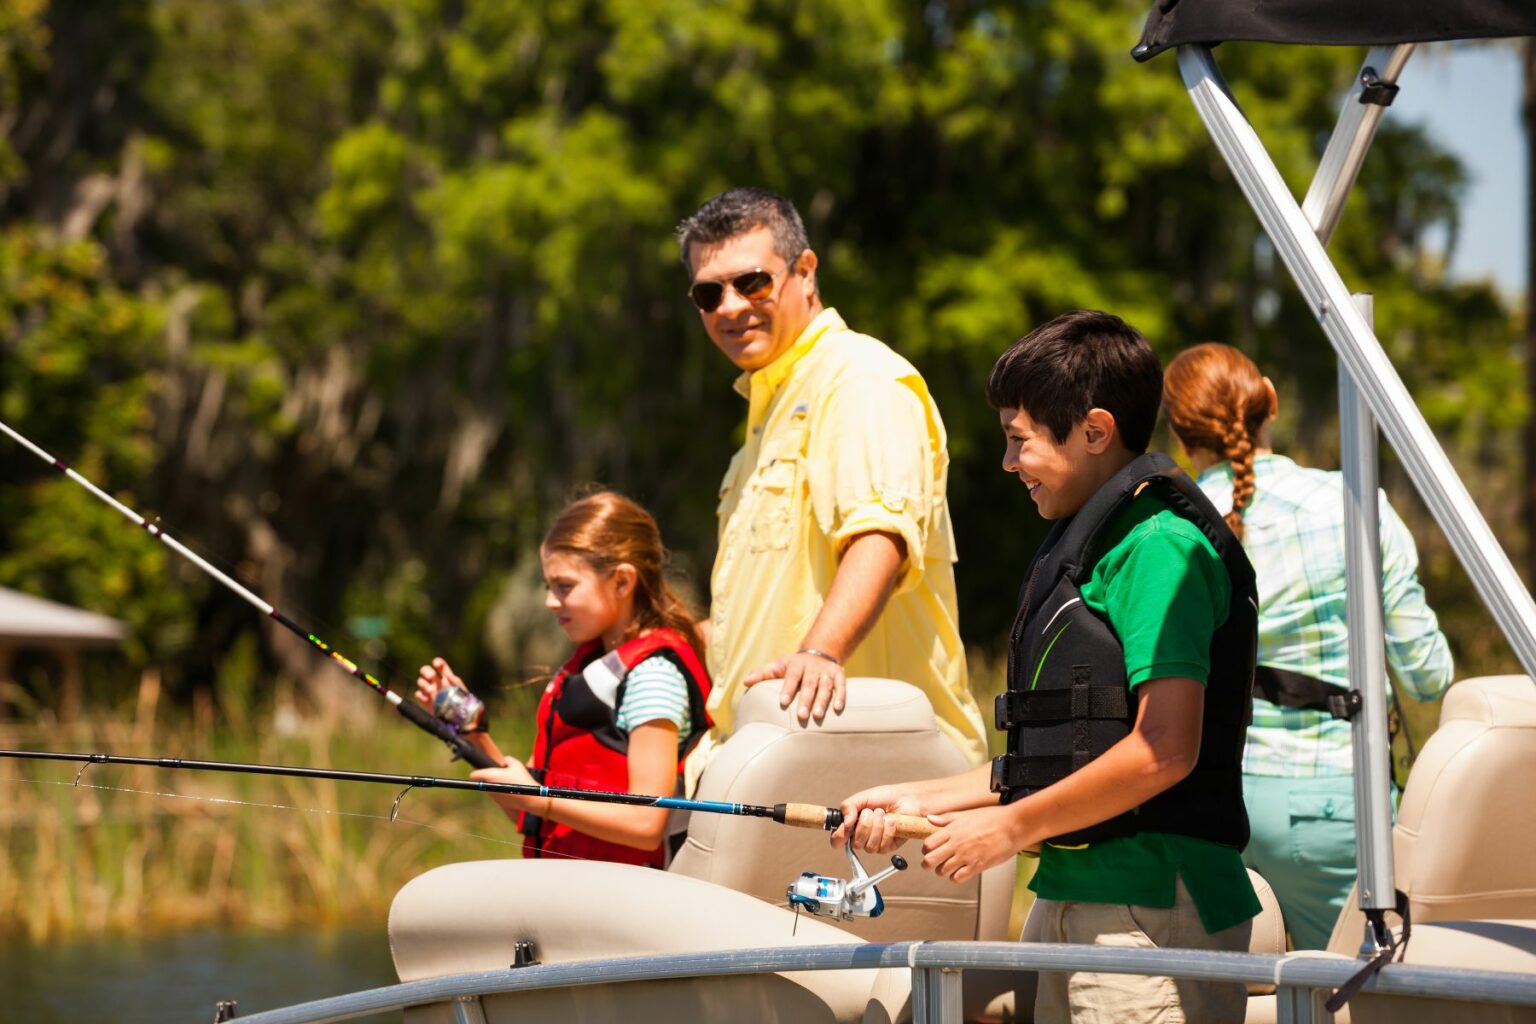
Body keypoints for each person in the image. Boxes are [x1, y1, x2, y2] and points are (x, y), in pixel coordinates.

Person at [837, 311, 1260, 1024]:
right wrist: (913, 799)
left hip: (1151, 907)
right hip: (1072, 891)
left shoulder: (1160, 549)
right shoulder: (1092, 541)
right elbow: (1057, 759)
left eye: (1019, 441)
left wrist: (1008, 831)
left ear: (1094, 431)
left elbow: (1165, 750)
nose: (1008, 464)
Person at [675, 187, 987, 781]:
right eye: (709, 293)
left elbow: (880, 538)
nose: (731, 306)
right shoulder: (764, 420)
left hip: (874, 778)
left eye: (753, 282)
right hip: (767, 766)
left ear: (806, 271)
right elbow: (770, 606)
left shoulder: (858, 380)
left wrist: (820, 653)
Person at [1163, 342, 1453, 950]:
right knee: (1361, 985)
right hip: (1330, 807)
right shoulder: (1353, 506)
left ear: (1181, 434)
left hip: (1209, 806)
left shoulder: (1170, 525)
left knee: (1243, 995)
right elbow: (1428, 676)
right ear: (1269, 401)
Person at [415, 491, 712, 867]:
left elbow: (646, 822)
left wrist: (542, 799)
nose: (550, 602)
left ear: (622, 582)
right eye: (547, 586)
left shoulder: (652, 676)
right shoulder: (588, 667)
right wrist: (470, 732)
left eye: (565, 586)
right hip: (570, 891)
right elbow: (528, 811)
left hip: (627, 901)